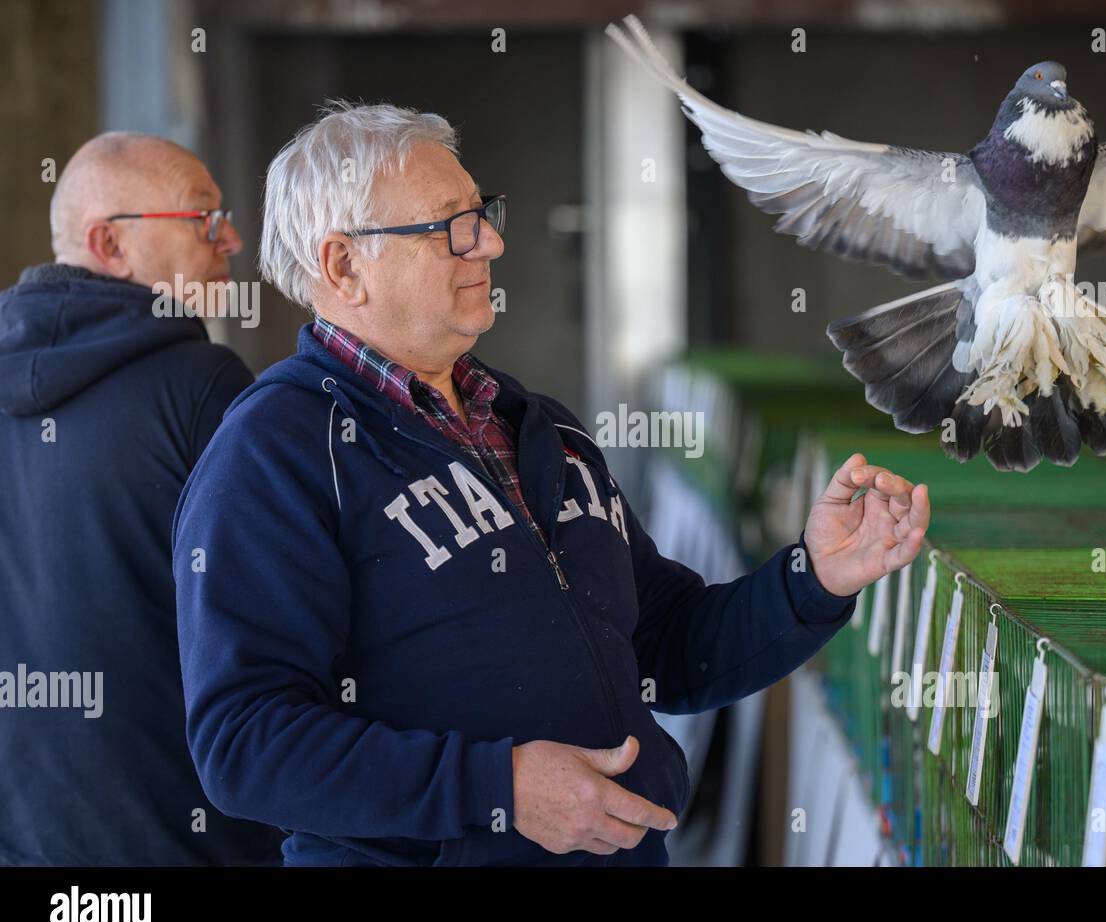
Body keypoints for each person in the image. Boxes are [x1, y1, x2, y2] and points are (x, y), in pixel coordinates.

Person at [172, 102, 931, 866]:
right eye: (452, 226)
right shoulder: (278, 451)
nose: (492, 243)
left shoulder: (538, 426)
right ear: (343, 266)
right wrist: (497, 789)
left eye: (483, 215)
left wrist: (814, 576)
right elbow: (245, 745)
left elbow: (665, 645)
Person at [0, 132, 282, 864]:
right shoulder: (201, 385)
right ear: (110, 244)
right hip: (189, 837)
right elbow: (286, 617)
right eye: (203, 219)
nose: (232, 240)